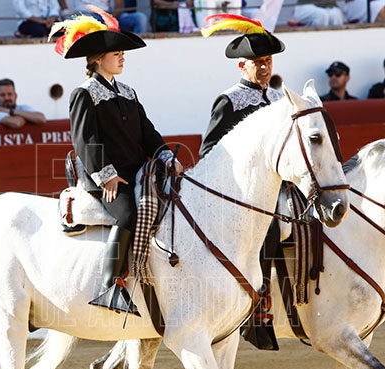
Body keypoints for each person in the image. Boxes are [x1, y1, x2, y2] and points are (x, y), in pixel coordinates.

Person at [54, 7, 181, 315]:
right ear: (99, 59)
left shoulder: (127, 91)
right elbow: (85, 140)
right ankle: (109, 286)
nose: (123, 58)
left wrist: (166, 155)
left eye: (123, 53)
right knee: (127, 215)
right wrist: (106, 176)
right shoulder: (84, 93)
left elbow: (147, 132)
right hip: (106, 177)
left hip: (138, 172)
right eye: (117, 53)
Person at [199, 15, 285, 351]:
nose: (264, 68)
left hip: (278, 189)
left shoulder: (278, 99)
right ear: (242, 66)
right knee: (271, 230)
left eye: (267, 61)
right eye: (257, 63)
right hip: (240, 195)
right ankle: (257, 307)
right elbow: (209, 151)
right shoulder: (230, 100)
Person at [74, 0, 148, 34]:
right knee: (87, 23)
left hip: (107, 15)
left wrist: (110, 21)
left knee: (140, 18)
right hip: (86, 15)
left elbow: (119, 5)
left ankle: (138, 50)